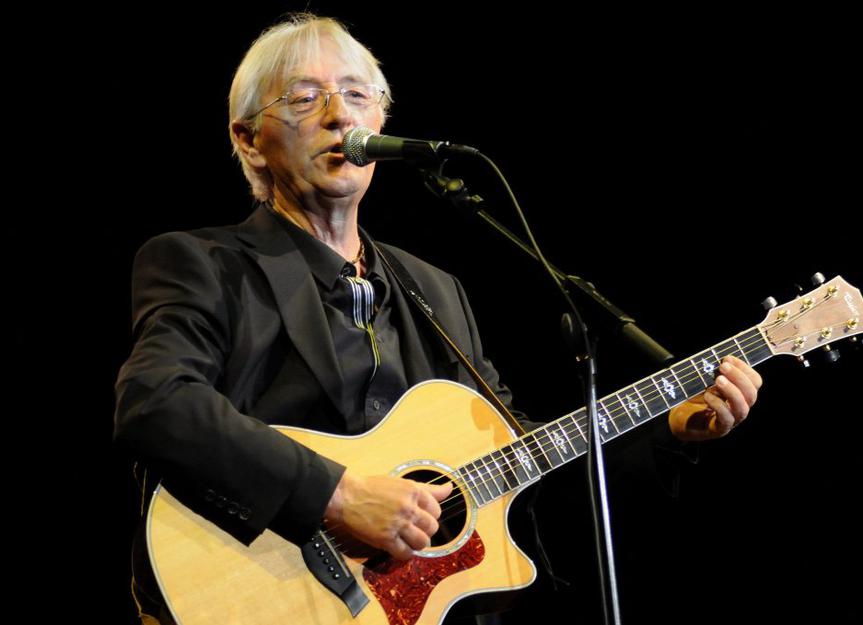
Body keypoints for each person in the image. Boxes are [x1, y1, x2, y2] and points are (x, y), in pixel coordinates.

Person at [113, 13, 764, 625]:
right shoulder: (203, 263)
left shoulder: (435, 289)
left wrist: (669, 427)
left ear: (381, 120)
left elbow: (519, 461)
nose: (340, 115)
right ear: (249, 139)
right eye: (306, 98)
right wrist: (339, 495)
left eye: (357, 95)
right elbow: (155, 402)